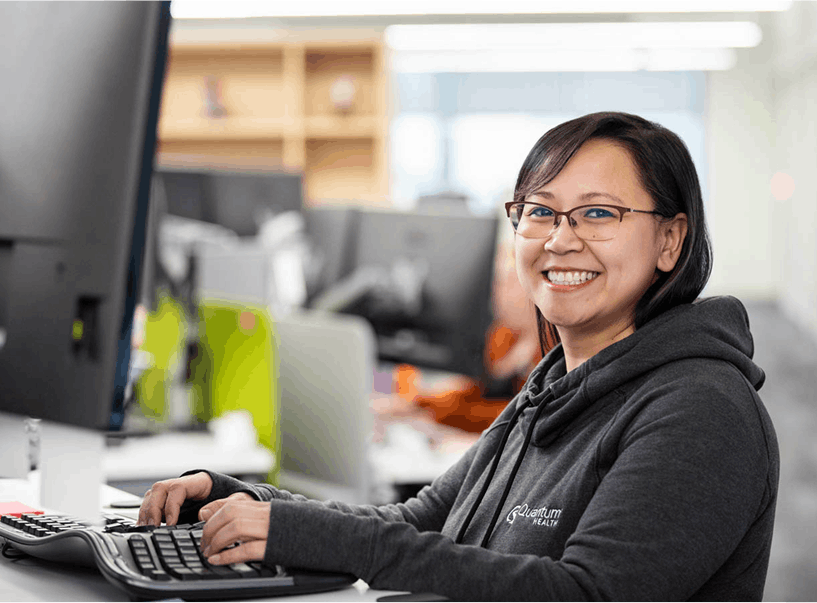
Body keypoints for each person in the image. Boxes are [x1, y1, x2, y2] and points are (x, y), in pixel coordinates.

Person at [138, 111, 780, 601]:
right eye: (540, 212)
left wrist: (316, 537)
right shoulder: (554, 386)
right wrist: (247, 505)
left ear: (671, 240)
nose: (560, 240)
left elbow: (585, 594)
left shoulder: (701, 412)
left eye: (597, 213)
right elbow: (419, 521)